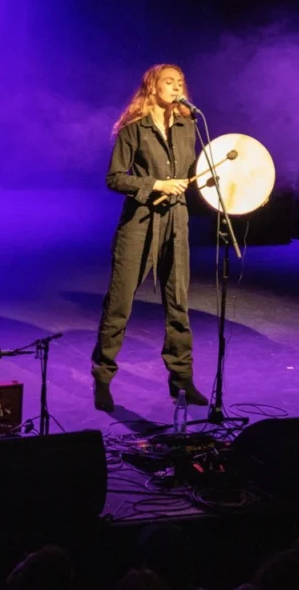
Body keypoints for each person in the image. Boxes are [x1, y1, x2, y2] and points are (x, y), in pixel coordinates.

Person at [91, 64, 207, 411]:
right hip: (139, 222)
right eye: (169, 82)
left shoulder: (188, 126)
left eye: (180, 82)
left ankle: (181, 378)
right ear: (152, 87)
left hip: (177, 220)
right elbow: (115, 177)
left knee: (178, 303)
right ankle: (102, 376)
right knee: (119, 302)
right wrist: (155, 184)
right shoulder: (134, 128)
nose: (176, 87)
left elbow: (193, 173)